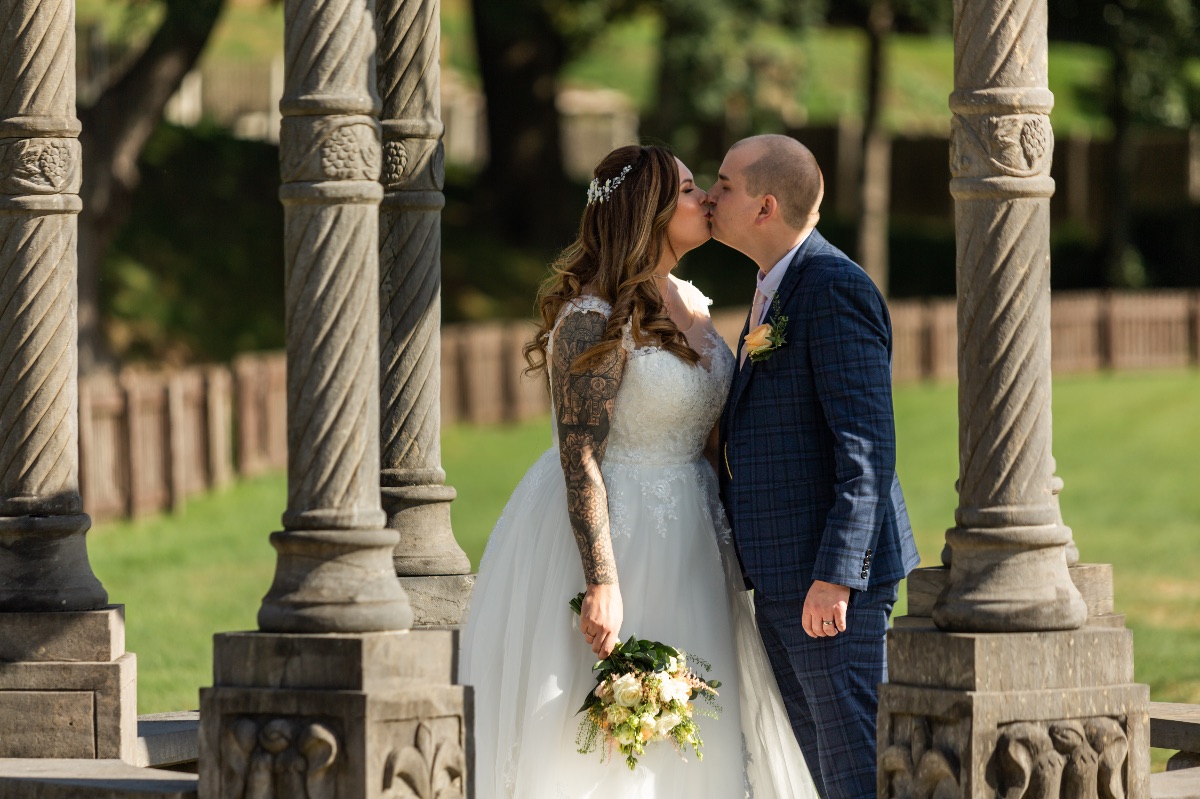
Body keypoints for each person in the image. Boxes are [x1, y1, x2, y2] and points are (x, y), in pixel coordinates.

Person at [459, 144, 814, 798]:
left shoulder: (692, 301)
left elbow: (711, 434)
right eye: (688, 189)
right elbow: (579, 454)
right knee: (612, 735)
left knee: (697, 726)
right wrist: (602, 580)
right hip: (616, 533)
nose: (705, 199)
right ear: (648, 211)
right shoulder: (591, 317)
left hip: (696, 541)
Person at [711, 134, 922, 799]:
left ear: (765, 206)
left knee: (855, 772)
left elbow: (868, 448)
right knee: (824, 776)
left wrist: (836, 576)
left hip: (827, 585)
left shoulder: (833, 287)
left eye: (724, 185)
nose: (710, 197)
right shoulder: (774, 285)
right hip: (782, 576)